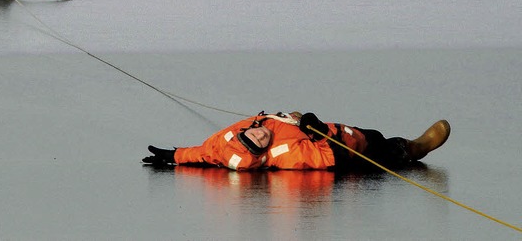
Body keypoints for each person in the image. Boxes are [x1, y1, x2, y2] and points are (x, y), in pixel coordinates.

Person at [142, 111, 451, 172]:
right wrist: (318, 131)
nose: (260, 134)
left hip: (341, 128)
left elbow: (206, 154)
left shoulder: (226, 143)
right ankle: (416, 148)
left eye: (253, 134)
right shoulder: (286, 155)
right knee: (385, 147)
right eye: (259, 143)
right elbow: (328, 157)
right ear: (262, 155)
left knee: (369, 131)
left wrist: (175, 155)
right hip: (353, 151)